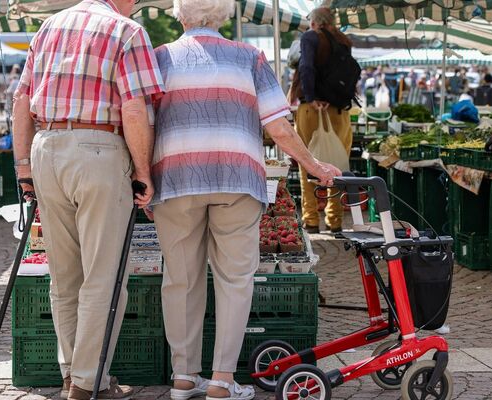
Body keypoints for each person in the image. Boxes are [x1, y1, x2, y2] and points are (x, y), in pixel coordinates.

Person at [149, 0, 341, 398]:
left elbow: (142, 123)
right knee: (235, 280)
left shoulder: (159, 58)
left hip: (176, 179)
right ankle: (221, 380)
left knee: (180, 279)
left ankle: (183, 377)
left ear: (180, 15)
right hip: (237, 179)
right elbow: (279, 126)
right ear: (222, 15)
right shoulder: (249, 57)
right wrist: (315, 164)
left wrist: (141, 175)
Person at [10, 0, 165, 397]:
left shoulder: (50, 26)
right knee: (104, 277)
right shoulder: (126, 30)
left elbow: (22, 103)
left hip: (47, 147)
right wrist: (144, 172)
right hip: (99, 147)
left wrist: (24, 167)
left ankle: (72, 374)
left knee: (64, 277)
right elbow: (133, 108)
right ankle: (84, 381)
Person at [288, 6, 354, 233]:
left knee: (307, 163)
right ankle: (334, 221)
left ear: (314, 22)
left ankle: (311, 220)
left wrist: (313, 96)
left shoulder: (310, 37)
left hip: (310, 109)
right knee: (336, 165)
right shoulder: (344, 40)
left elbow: (305, 67)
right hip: (339, 112)